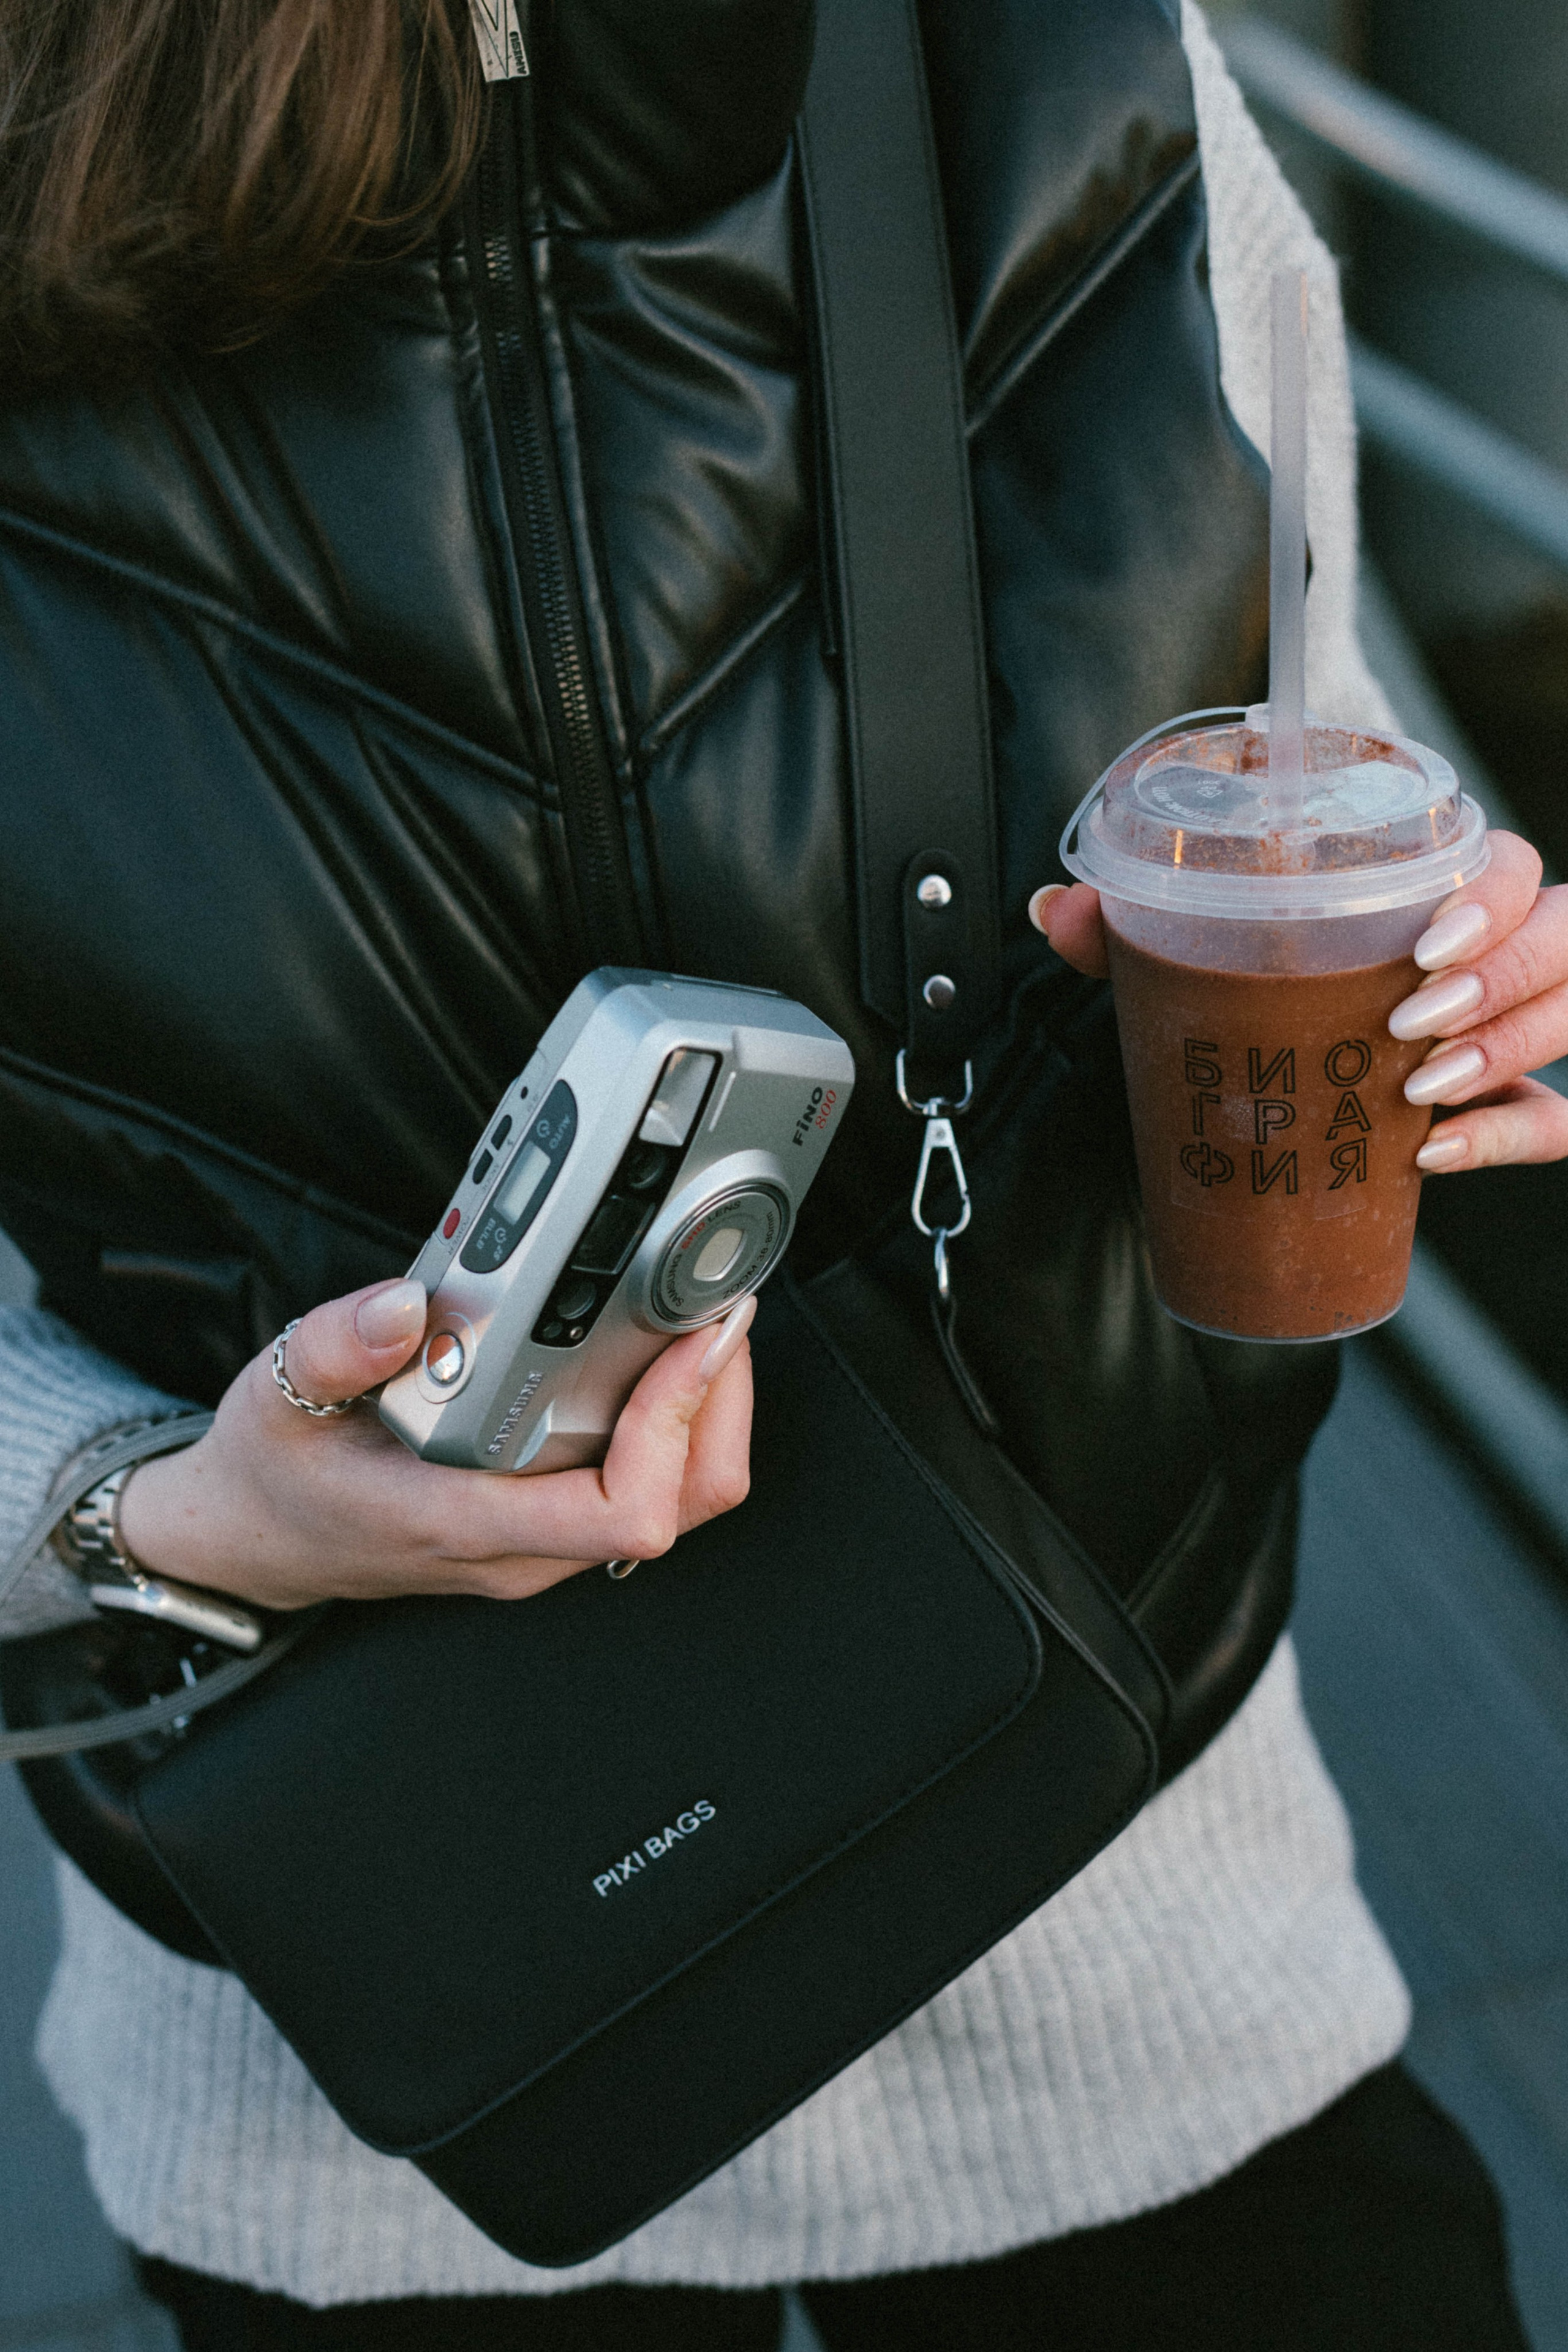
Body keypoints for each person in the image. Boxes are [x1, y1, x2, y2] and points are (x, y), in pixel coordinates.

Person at [1, 1, 1563, 2345]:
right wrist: (152, 1507)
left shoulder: (1068, 58)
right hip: (380, 2048)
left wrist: (1463, 952)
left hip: (1126, 1891)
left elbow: (1319, 743)